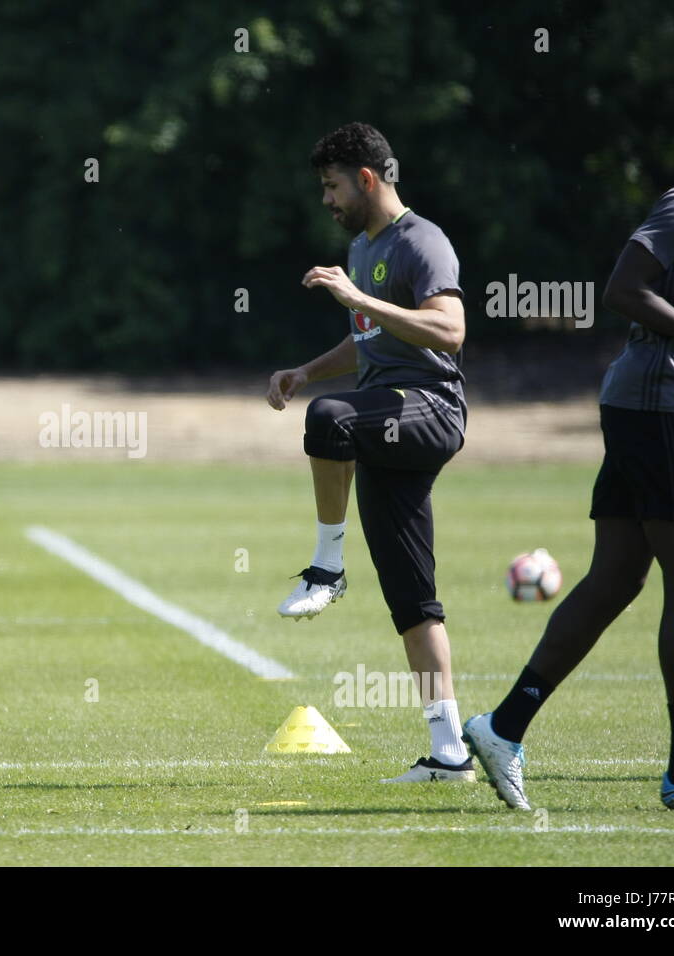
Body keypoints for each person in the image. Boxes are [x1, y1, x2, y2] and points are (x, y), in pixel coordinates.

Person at [464, 86, 674, 811]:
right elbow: (623, 289)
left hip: (651, 407)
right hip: (663, 411)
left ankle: (504, 726)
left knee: (618, 578)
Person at [266, 122, 472, 783]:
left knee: (330, 421)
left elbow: (449, 330)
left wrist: (358, 298)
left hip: (429, 411)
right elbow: (370, 342)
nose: (325, 200)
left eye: (330, 186)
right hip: (385, 422)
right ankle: (451, 755)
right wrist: (305, 370)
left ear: (366, 179)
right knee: (414, 601)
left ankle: (327, 568)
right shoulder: (360, 247)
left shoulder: (422, 241)